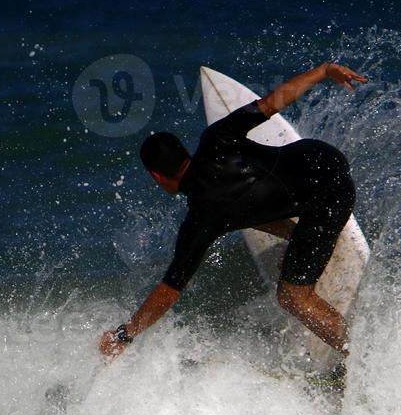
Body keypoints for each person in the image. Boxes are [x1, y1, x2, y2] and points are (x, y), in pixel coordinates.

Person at [99, 61, 367, 365]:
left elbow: (168, 292)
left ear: (157, 176)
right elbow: (272, 103)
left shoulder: (201, 219)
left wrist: (126, 334)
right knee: (247, 205)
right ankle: (300, 235)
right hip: (323, 157)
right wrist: (322, 72)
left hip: (330, 197)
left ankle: (359, 358)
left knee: (293, 296)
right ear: (184, 152)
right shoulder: (216, 138)